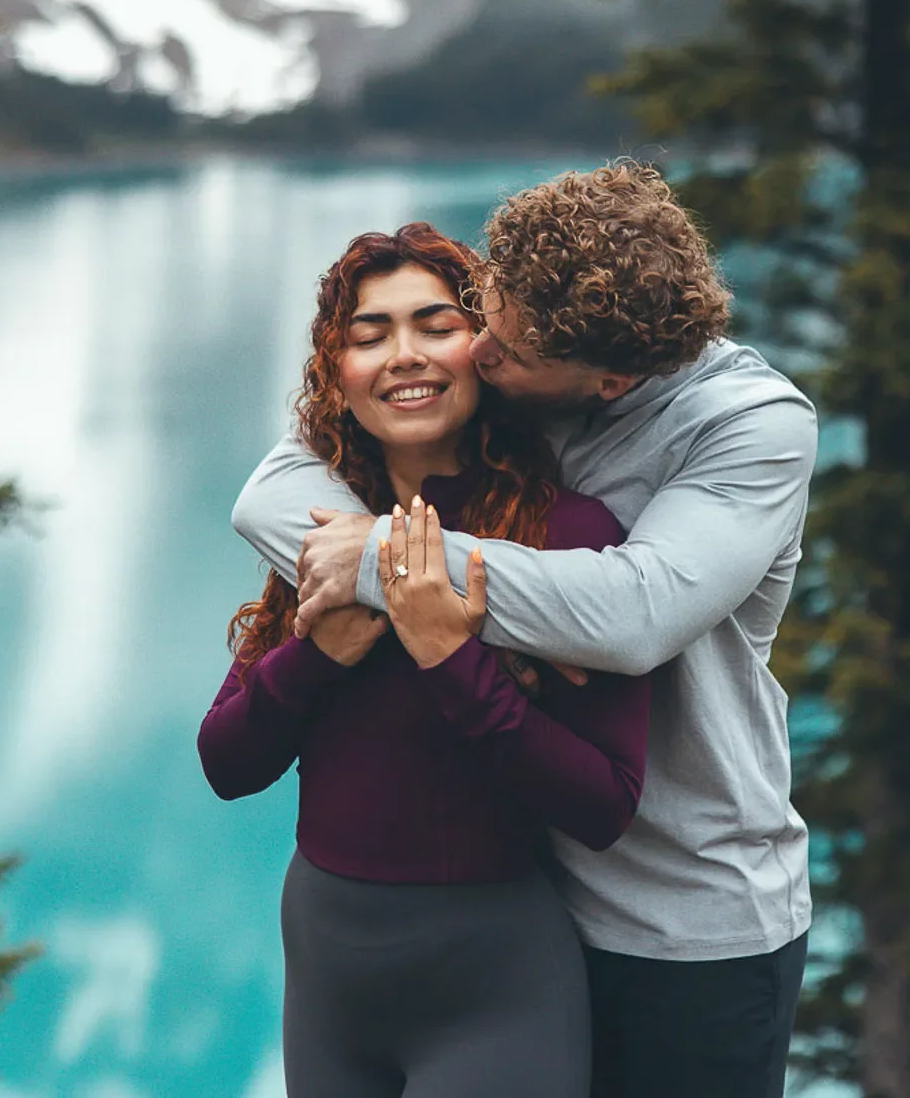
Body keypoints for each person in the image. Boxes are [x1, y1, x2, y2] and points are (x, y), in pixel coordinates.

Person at [232, 161, 819, 1098]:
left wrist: (386, 562)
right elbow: (273, 485)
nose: (477, 355)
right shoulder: (521, 363)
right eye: (484, 312)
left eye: (501, 347)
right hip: (529, 909)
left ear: (609, 380)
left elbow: (635, 614)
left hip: (688, 919)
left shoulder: (749, 425)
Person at [199, 223, 650, 1098]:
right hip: (329, 980)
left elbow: (604, 804)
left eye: (436, 325)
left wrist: (450, 656)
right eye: (369, 337)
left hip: (496, 989)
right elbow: (226, 761)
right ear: (337, 372)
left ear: (485, 347)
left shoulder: (570, 535)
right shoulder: (324, 527)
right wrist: (316, 654)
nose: (404, 356)